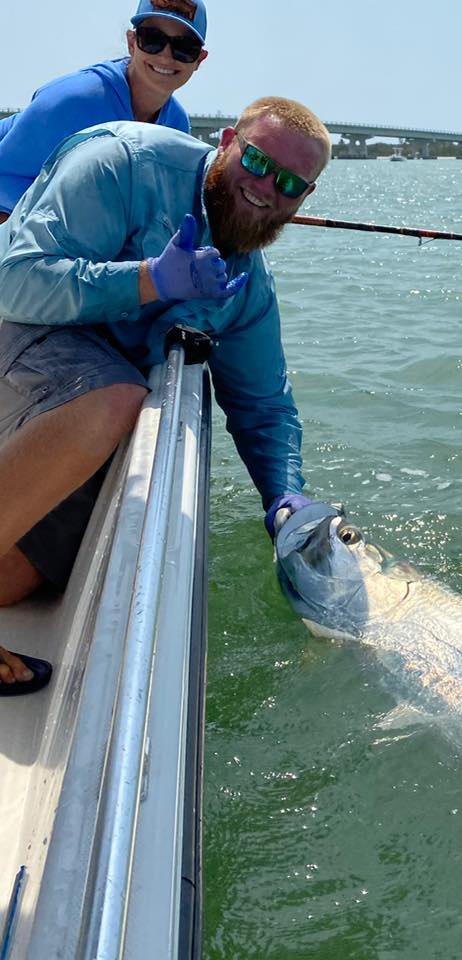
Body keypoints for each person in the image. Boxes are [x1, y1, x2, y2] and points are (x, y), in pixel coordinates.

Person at [0, 96, 331, 694]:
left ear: (304, 200)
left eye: (288, 183)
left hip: (71, 417)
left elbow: (265, 406)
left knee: (14, 583)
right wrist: (149, 279)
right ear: (226, 140)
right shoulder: (120, 165)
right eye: (256, 162)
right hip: (23, 339)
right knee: (117, 398)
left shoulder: (246, 286)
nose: (265, 188)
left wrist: (285, 494)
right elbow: (15, 283)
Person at [0, 0, 209, 225]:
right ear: (132, 42)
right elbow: (6, 178)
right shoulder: (73, 100)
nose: (166, 56)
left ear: (199, 59)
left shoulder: (176, 126)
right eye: (152, 39)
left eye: (184, 48)